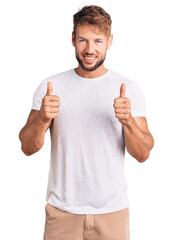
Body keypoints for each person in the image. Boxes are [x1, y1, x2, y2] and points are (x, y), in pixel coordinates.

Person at [19, 4, 154, 240]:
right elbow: (27, 147)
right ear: (73, 39)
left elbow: (143, 154)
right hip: (62, 213)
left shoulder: (129, 89)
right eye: (83, 40)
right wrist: (42, 118)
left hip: (112, 214)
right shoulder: (50, 86)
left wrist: (128, 121)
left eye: (98, 41)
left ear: (109, 41)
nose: (89, 49)